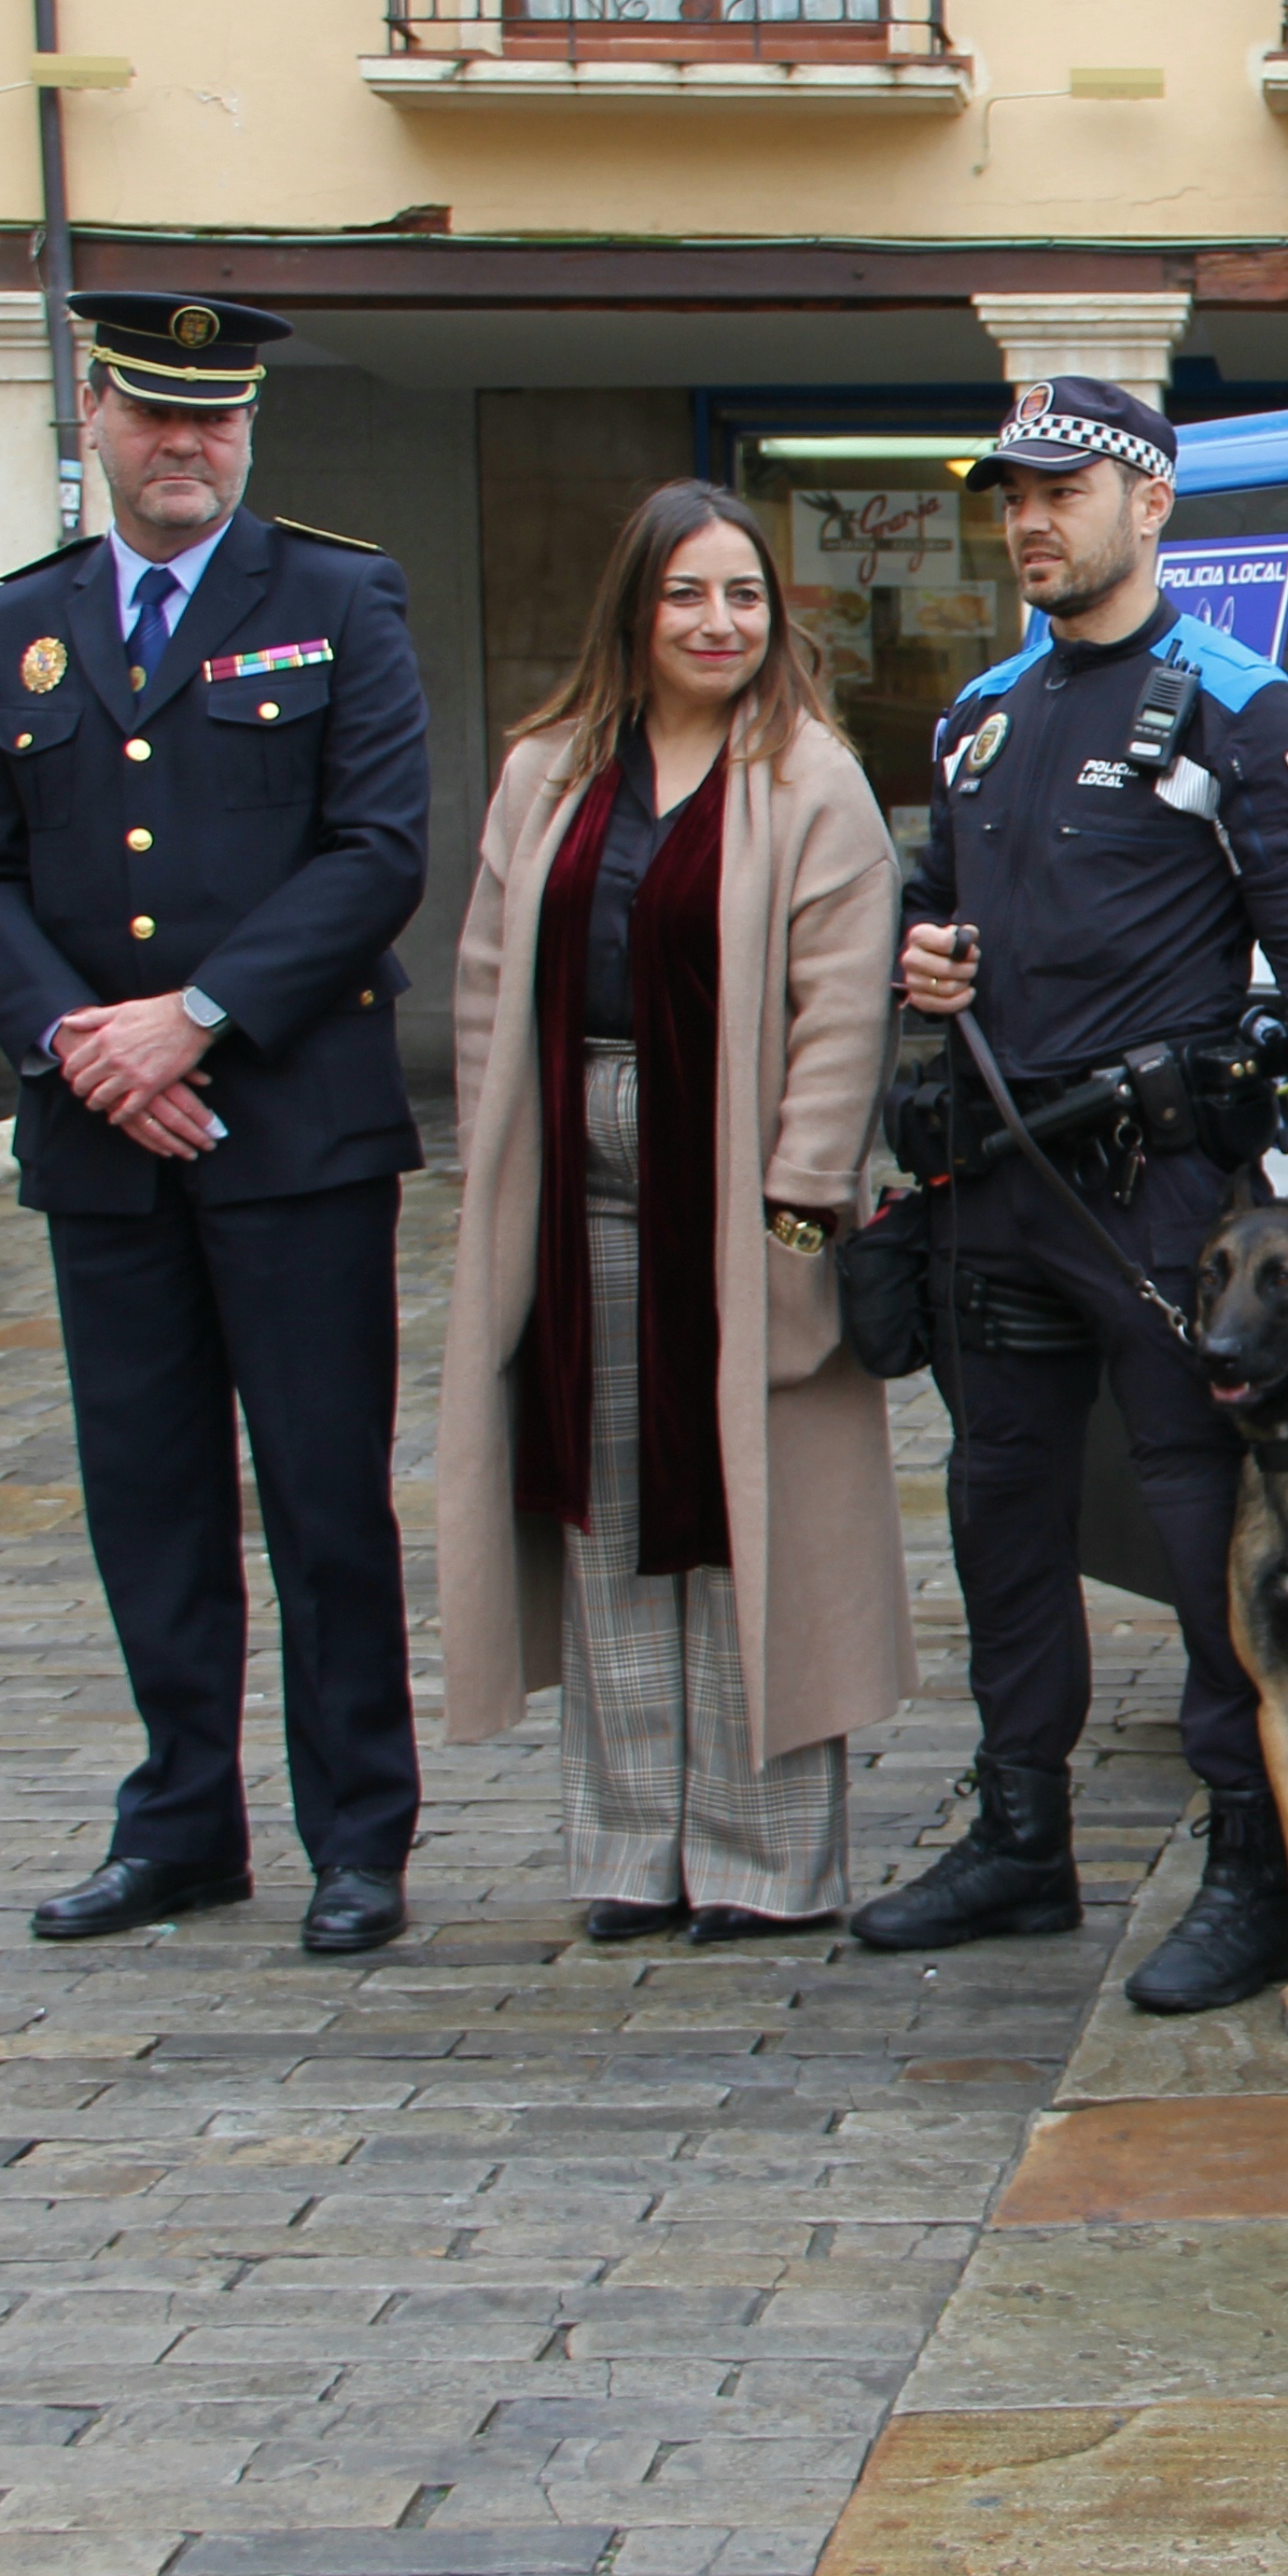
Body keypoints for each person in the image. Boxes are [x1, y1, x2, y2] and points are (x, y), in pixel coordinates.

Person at [848, 376, 1288, 2016]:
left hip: (1166, 1204)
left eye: (1065, 489)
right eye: (1013, 491)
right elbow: (943, 912)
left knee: (1201, 1535)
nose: (1032, 517)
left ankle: (1250, 1865)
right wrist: (924, 955)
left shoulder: (1241, 706)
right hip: (997, 1192)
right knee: (1000, 1514)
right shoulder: (983, 712)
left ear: (1149, 505)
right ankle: (1021, 1836)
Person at [0, 292, 434, 1958]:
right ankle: (180, 1827)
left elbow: (376, 854)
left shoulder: (341, 598)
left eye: (214, 420)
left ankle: (358, 1835)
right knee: (145, 1496)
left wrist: (193, 1022)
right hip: (103, 1142)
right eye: (154, 415)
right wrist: (80, 1044)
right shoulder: (24, 625)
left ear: (249, 434)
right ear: (94, 418)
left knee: (322, 1498)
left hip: (292, 1137)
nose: (185, 446)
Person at [433, 483, 916, 1940]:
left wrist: (797, 1205)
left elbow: (844, 1015)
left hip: (745, 1205)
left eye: (747, 596)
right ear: (634, 613)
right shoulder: (547, 773)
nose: (721, 623)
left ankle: (762, 1863)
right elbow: (479, 987)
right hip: (576, 1206)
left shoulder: (812, 778)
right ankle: (631, 1851)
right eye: (689, 596)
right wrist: (499, 1166)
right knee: (606, 1512)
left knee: (750, 1527)